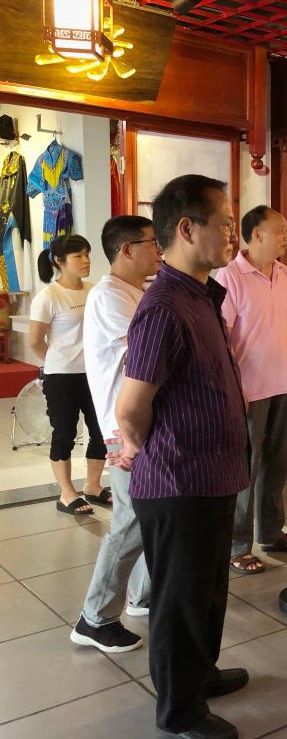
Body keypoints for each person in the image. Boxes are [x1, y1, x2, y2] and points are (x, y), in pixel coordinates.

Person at [114, 174, 249, 739]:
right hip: (179, 480)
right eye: (226, 223)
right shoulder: (164, 306)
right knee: (180, 600)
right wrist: (144, 448)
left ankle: (201, 675)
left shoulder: (201, 295)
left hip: (211, 475)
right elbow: (130, 407)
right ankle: (180, 711)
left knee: (208, 591)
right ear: (188, 228)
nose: (233, 234)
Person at [70, 216, 161, 654]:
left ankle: (140, 597)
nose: (159, 250)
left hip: (142, 423)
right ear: (127, 249)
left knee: (147, 517)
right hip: (122, 429)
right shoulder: (109, 296)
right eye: (152, 242)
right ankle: (94, 618)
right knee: (131, 522)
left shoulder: (138, 291)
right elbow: (150, 354)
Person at [219, 206, 287, 576]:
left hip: (282, 382)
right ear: (256, 234)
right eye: (280, 230)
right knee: (245, 469)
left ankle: (271, 533)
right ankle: (237, 545)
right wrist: (233, 385)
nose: (286, 236)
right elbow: (222, 337)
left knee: (277, 463)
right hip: (249, 389)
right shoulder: (230, 276)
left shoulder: (284, 273)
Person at [28, 233, 109, 515]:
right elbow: (35, 341)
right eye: (78, 256)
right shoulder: (49, 297)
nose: (86, 261)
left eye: (87, 254)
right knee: (64, 433)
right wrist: (57, 362)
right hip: (62, 377)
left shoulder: (93, 290)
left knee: (100, 431)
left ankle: (93, 486)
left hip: (94, 375)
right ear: (59, 261)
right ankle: (66, 493)